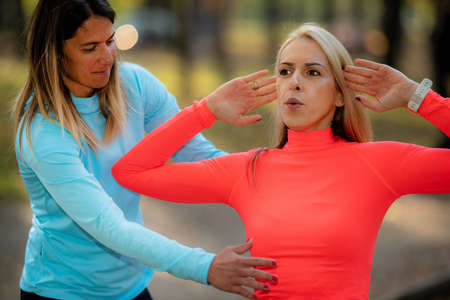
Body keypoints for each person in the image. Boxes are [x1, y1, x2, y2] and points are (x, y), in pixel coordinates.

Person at [112, 23, 450, 300]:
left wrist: (417, 97)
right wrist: (206, 111)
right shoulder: (248, 169)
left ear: (339, 94)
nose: (295, 82)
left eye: (313, 72)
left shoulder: (379, 163)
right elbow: (130, 172)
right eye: (285, 71)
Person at [13, 1, 278, 299]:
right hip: (61, 291)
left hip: (131, 286)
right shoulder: (43, 132)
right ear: (56, 55)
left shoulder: (135, 84)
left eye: (110, 41)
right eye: (90, 48)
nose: (107, 57)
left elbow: (199, 156)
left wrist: (269, 175)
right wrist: (205, 266)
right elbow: (108, 226)